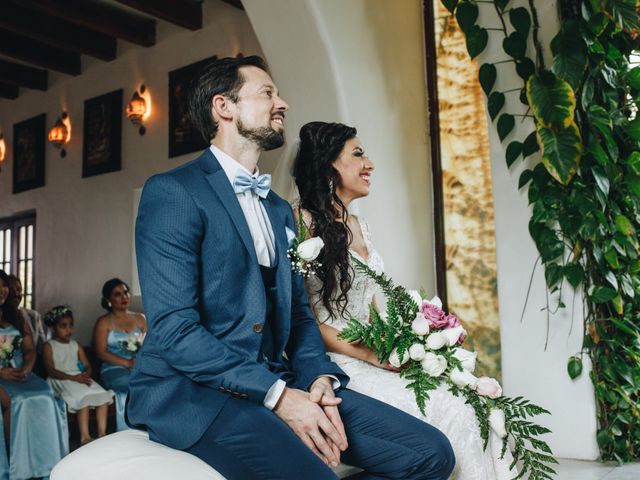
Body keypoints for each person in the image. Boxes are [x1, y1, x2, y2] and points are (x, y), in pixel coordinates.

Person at [127, 55, 455, 479]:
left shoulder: (281, 211)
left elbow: (300, 316)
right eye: (267, 93)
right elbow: (175, 332)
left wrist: (319, 378)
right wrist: (279, 397)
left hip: (280, 377)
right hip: (195, 393)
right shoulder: (173, 192)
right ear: (223, 107)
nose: (281, 103)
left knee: (431, 453)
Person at [292, 121, 518, 480]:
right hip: (342, 361)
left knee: (477, 403)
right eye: (358, 153)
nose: (370, 163)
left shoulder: (361, 225)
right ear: (329, 164)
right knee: (454, 411)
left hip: (379, 352)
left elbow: (370, 307)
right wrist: (371, 354)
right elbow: (302, 319)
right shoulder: (302, 223)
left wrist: (411, 342)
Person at [0, 270, 67, 479]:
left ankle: (45, 464)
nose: (2, 290)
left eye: (3, 285)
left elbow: (29, 349)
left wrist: (28, 367)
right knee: (17, 400)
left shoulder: (16, 315)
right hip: (1, 375)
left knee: (45, 395)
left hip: (21, 372)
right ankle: (16, 465)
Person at [44, 305, 114, 445]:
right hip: (61, 378)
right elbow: (51, 370)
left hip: (79, 377)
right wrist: (73, 378)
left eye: (70, 325)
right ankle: (85, 436)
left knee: (103, 395)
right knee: (82, 397)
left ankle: (102, 433)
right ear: (53, 328)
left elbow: (87, 365)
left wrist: (86, 375)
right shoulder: (49, 346)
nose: (68, 329)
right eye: (63, 326)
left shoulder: (76, 345)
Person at [93, 278, 146, 431]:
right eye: (118, 294)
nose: (124, 297)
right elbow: (100, 352)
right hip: (113, 368)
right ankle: (127, 434)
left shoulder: (140, 318)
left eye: (126, 292)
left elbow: (151, 344)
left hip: (139, 366)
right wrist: (127, 363)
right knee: (126, 389)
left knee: (149, 385)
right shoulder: (103, 322)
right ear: (108, 300)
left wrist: (140, 362)